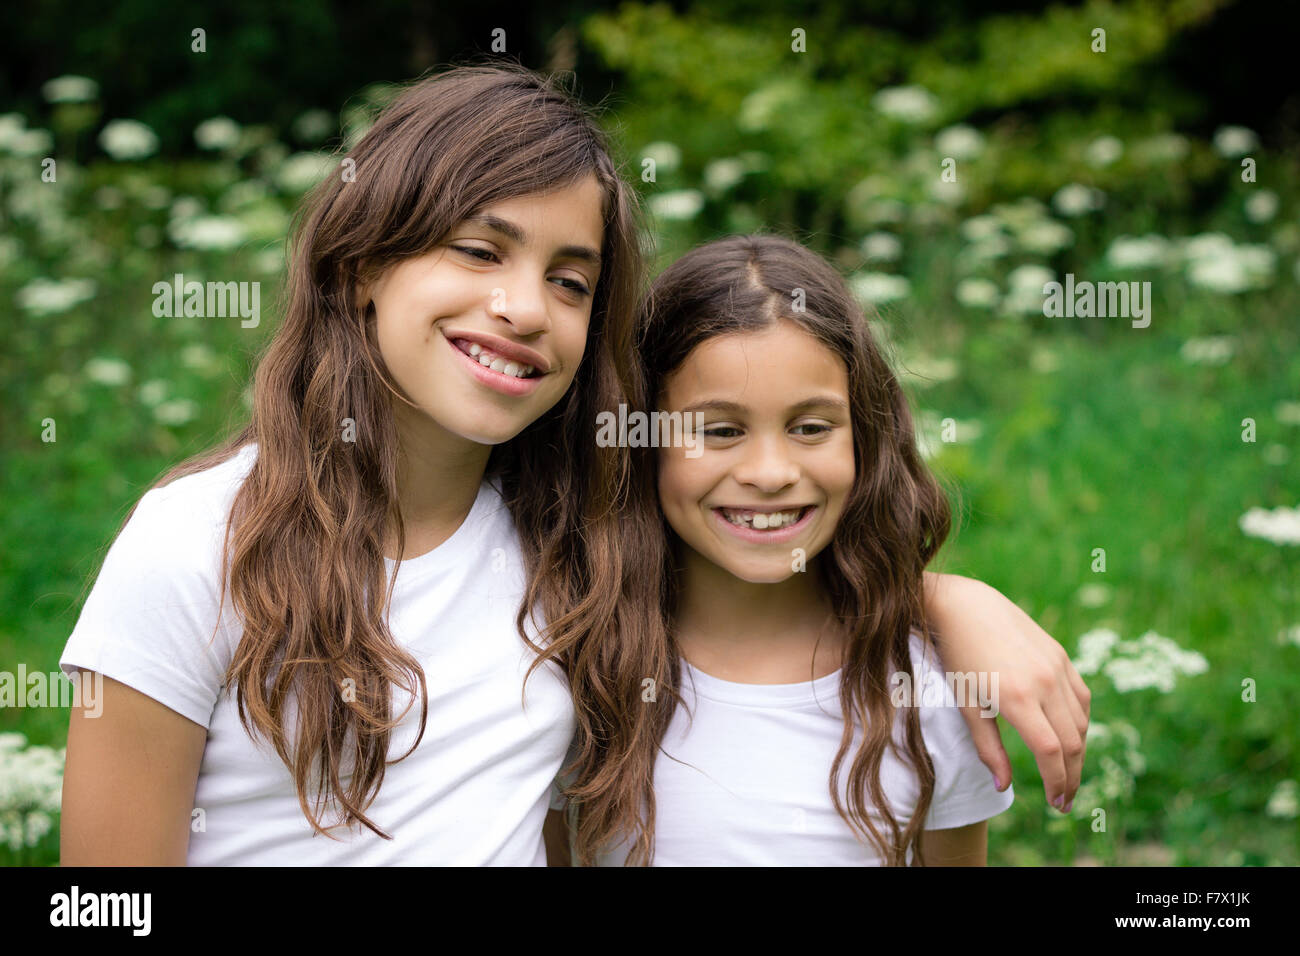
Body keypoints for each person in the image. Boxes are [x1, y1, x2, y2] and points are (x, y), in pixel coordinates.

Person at [59, 66, 1086, 866]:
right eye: (477, 250)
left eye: (569, 278)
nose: (521, 306)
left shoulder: (571, 539)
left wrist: (943, 598)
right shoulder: (199, 541)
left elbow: (764, 589)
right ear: (365, 261)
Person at [545, 234, 1072, 865]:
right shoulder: (579, 674)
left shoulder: (928, 690)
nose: (770, 472)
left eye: (811, 427)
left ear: (865, 437)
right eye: (719, 430)